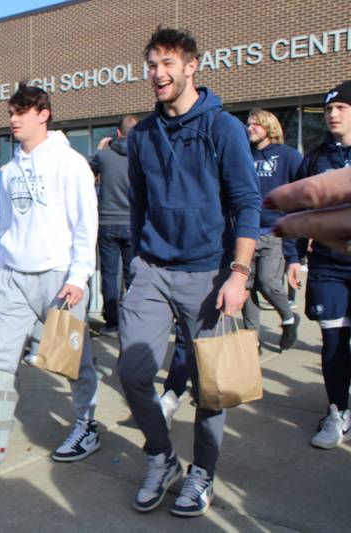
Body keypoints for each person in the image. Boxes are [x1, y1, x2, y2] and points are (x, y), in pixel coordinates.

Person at [118, 28, 259, 517]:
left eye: (168, 63)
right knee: (132, 372)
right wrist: (139, 257)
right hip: (153, 269)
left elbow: (246, 203)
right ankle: (162, 456)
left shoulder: (223, 129)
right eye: (152, 64)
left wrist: (239, 273)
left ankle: (203, 472)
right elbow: (139, 202)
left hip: (209, 273)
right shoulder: (142, 136)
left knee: (209, 387)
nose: (158, 73)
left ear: (193, 66)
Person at [0, 83, 101, 466]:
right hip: (14, 276)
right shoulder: (9, 169)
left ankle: (86, 425)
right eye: (11, 113)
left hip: (58, 278)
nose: (12, 120)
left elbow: (86, 224)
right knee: (0, 358)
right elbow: (6, 226)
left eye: (21, 112)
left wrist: (78, 277)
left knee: (72, 359)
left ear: (43, 114)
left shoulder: (70, 162)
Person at [284, 81, 351, 450]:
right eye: (328, 110)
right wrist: (294, 257)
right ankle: (337, 411)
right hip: (328, 267)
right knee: (333, 341)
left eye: (341, 108)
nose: (332, 114)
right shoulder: (315, 159)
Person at [242, 109, 301, 351]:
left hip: (274, 232)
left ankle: (288, 318)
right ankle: (251, 338)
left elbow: (301, 194)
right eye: (248, 124)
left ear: (269, 126)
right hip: (246, 233)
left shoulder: (288, 156)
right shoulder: (245, 155)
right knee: (246, 288)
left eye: (255, 124)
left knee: (267, 283)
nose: (250, 128)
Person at [88, 115, 139, 338]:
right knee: (133, 275)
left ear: (118, 133)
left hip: (107, 222)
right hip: (133, 223)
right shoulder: (142, 157)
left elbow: (86, 174)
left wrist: (99, 149)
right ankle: (135, 320)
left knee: (110, 274)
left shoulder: (104, 156)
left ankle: (112, 323)